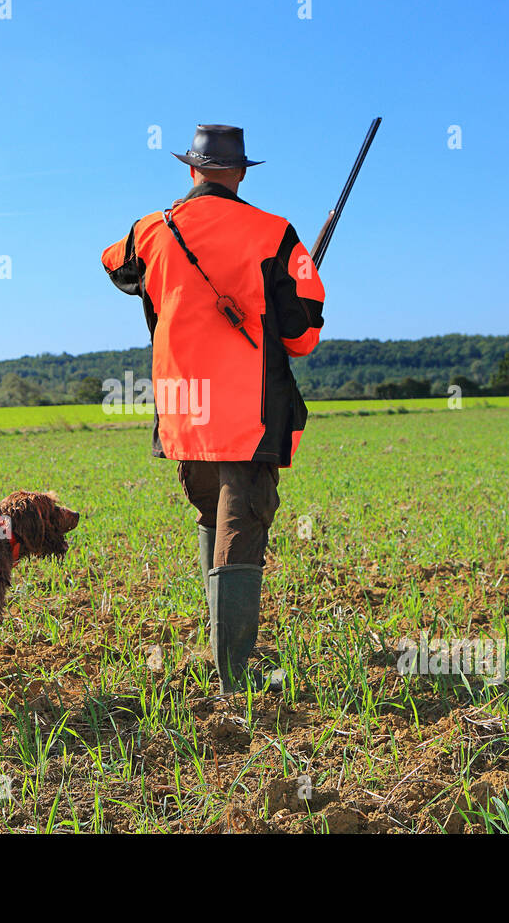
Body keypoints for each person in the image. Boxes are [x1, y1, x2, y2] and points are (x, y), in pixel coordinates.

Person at [101, 124, 325, 692]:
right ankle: (234, 681)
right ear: (242, 173)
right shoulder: (276, 234)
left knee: (211, 519)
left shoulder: (153, 228)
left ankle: (219, 651)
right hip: (246, 409)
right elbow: (302, 335)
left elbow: (116, 268)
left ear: (191, 170)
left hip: (182, 407)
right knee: (242, 524)